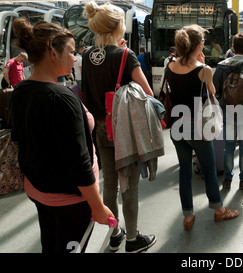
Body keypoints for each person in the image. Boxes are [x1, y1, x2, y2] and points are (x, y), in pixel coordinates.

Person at [10, 18, 113, 253]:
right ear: (52, 53)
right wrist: (97, 207)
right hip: (69, 199)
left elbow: (21, 138)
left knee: (52, 244)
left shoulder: (21, 90)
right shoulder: (61, 98)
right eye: (69, 51)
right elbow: (79, 162)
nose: (75, 57)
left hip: (38, 189)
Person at [82, 1, 156, 252]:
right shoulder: (126, 55)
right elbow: (147, 92)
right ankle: (134, 239)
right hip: (123, 129)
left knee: (110, 183)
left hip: (99, 129)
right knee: (130, 185)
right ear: (117, 26)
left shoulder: (86, 55)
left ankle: (114, 234)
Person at [166, 24, 239, 231]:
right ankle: (218, 210)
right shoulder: (203, 70)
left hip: (176, 125)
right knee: (208, 169)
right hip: (197, 126)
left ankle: (188, 216)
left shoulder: (169, 66)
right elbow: (213, 92)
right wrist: (203, 66)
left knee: (184, 171)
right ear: (199, 46)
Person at [213, 32, 243, 191]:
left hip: (227, 111)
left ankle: (227, 180)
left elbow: (216, 91)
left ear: (233, 48)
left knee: (228, 147)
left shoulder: (221, 66)